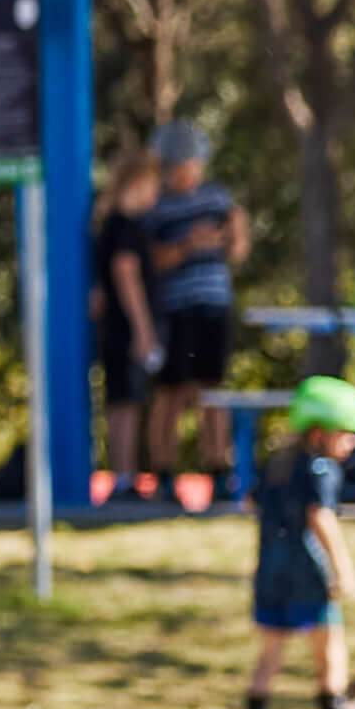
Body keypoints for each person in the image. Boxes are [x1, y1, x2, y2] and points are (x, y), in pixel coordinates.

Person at [241, 378, 355, 709]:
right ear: (320, 433)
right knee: (331, 657)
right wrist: (343, 568)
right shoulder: (321, 470)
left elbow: (249, 501)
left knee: (268, 657)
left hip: (271, 572)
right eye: (346, 435)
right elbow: (320, 517)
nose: (352, 444)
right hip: (309, 576)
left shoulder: (277, 465)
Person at [116, 119, 253, 505]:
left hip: (216, 305)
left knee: (213, 389)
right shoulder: (156, 207)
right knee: (172, 392)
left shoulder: (216, 199)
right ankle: (162, 471)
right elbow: (150, 262)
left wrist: (234, 231)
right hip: (177, 310)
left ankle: (217, 469)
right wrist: (188, 246)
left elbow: (238, 252)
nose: (186, 175)